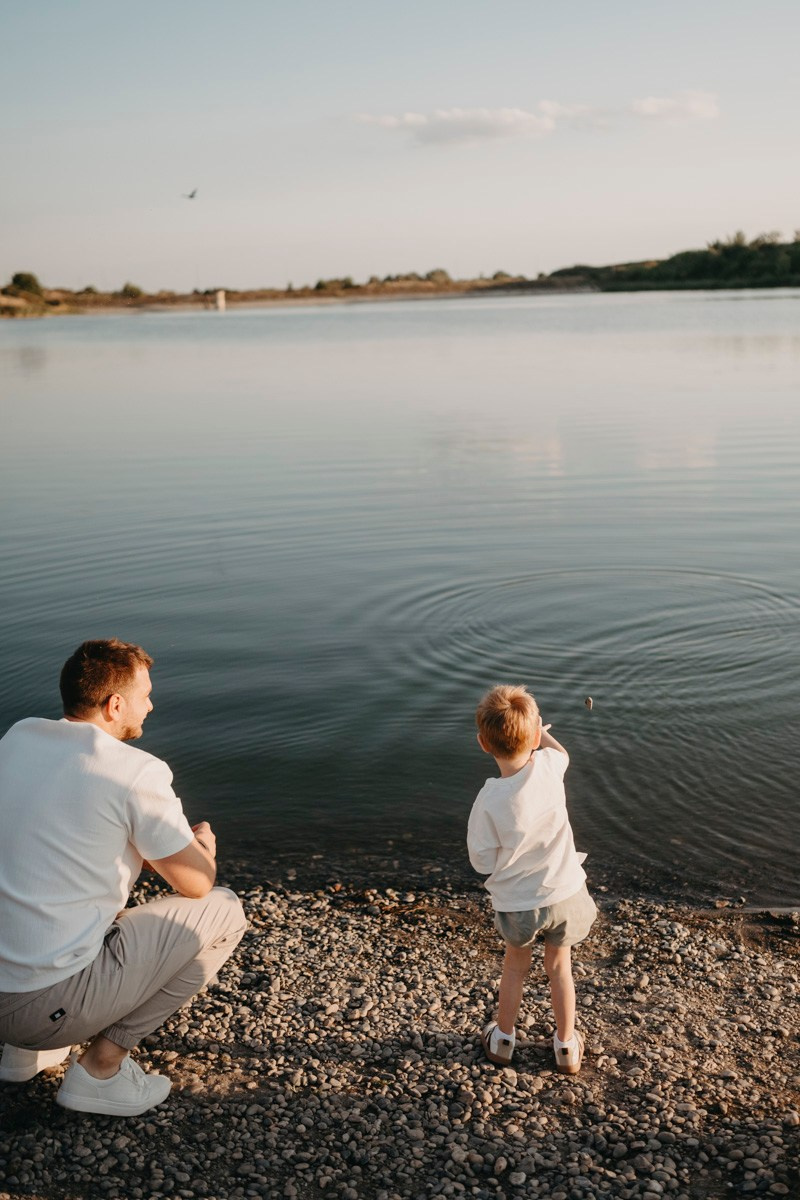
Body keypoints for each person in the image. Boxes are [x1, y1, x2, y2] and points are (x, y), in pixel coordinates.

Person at [0, 638, 247, 1116]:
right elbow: (194, 884)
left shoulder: (19, 737)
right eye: (145, 696)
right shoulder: (134, 771)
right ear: (115, 705)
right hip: (39, 1007)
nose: (150, 706)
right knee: (224, 910)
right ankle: (100, 1071)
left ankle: (21, 1055)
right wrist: (202, 850)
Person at [467, 684, 596, 1074]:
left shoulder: (489, 800)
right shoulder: (550, 767)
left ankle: (503, 1040)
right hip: (566, 894)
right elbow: (562, 753)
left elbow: (481, 862)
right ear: (537, 737)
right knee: (560, 968)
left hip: (520, 904)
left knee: (514, 968)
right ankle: (566, 1047)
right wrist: (540, 731)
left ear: (483, 744)